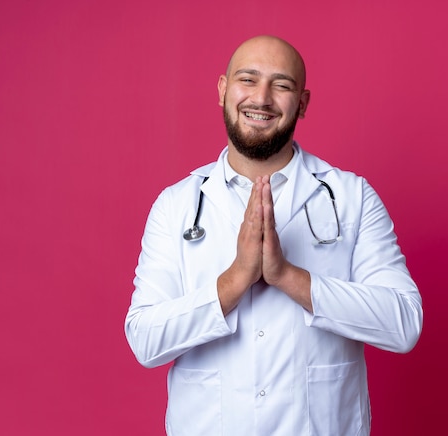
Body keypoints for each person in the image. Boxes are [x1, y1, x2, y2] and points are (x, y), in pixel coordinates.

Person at [125, 35, 423, 436]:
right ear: (223, 90)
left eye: (281, 85)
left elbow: (403, 324)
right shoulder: (176, 205)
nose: (261, 98)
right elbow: (145, 341)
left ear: (302, 103)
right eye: (247, 80)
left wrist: (288, 276)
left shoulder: (352, 198)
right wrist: (234, 281)